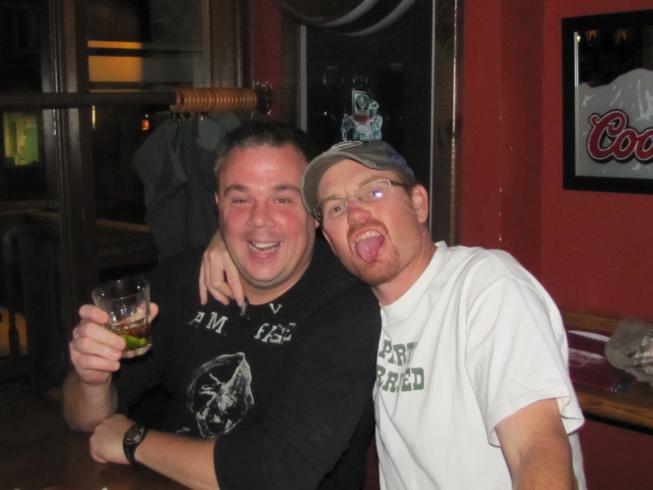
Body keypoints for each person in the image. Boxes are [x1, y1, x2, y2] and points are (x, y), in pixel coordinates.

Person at [202, 140, 587, 489]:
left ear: (418, 204)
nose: (356, 215)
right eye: (336, 207)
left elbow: (536, 448)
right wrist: (225, 241)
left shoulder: (483, 285)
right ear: (329, 238)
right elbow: (271, 237)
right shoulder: (354, 311)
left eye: (374, 191)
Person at [62, 122, 381, 490]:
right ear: (218, 205)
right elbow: (85, 421)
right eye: (240, 199)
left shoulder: (347, 307)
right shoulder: (178, 282)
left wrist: (135, 441)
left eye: (282, 199)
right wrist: (92, 381)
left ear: (314, 211)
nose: (259, 219)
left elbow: (279, 473)